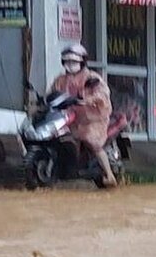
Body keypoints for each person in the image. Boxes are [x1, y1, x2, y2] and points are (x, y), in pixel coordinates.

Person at [48, 43, 117, 188]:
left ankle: (109, 175)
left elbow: (102, 95)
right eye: (67, 62)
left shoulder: (91, 78)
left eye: (73, 62)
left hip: (92, 119)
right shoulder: (61, 80)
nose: (70, 65)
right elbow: (52, 93)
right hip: (70, 119)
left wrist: (87, 100)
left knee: (92, 142)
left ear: (82, 62)